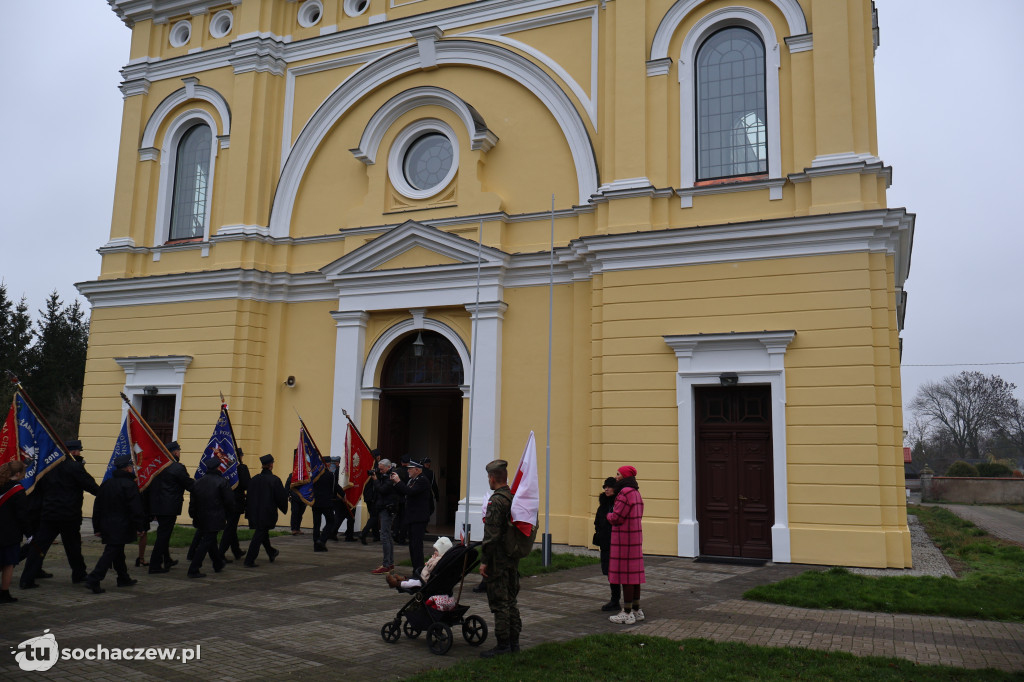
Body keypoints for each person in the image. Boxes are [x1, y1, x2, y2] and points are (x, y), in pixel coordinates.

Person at [20, 440, 100, 589]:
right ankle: (79, 574)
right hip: (69, 514)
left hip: (49, 513)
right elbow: (90, 486)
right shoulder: (75, 467)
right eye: (79, 451)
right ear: (73, 452)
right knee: (73, 547)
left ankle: (26, 578)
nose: (80, 453)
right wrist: (105, 495)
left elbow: (40, 488)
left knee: (39, 547)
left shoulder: (48, 467)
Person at [83, 454, 147, 594]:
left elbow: (97, 507)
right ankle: (94, 578)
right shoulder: (130, 485)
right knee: (111, 552)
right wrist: (140, 526)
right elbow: (135, 508)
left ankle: (123, 577)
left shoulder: (106, 484)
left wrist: (97, 527)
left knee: (117, 552)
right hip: (122, 525)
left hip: (107, 524)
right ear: (128, 468)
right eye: (131, 466)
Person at [479, 459, 522, 658]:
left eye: (489, 477)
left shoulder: (496, 501)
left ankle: (503, 644)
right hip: (512, 556)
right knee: (511, 600)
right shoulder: (513, 496)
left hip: (498, 559)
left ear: (492, 477)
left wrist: (484, 560)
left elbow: (491, 534)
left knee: (500, 602)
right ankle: (514, 642)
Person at [147, 441, 194, 573]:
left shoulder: (158, 466)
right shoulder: (177, 467)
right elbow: (188, 484)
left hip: (158, 505)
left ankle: (167, 559)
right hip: (170, 506)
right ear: (174, 452)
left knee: (163, 533)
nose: (179, 453)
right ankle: (155, 565)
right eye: (178, 450)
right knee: (163, 535)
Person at [607, 465, 645, 624]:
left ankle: (627, 612)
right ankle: (637, 610)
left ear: (624, 477)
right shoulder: (636, 492)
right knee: (634, 576)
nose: (616, 477)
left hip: (624, 540)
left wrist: (608, 515)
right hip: (635, 538)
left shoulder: (624, 493)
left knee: (626, 576)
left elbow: (617, 517)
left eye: (618, 474)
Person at [187, 454, 234, 578]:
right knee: (206, 542)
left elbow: (193, 502)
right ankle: (193, 569)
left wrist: (193, 515)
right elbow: (229, 501)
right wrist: (229, 514)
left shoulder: (198, 482)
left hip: (200, 517)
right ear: (218, 468)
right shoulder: (222, 482)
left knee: (211, 541)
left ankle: (217, 563)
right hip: (215, 517)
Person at [243, 455, 288, 567]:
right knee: (259, 535)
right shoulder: (274, 480)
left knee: (262, 532)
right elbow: (280, 497)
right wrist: (284, 507)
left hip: (254, 512)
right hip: (267, 513)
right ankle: (249, 560)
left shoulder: (254, 479)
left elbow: (248, 497)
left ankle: (271, 552)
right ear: (271, 465)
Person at [392, 459, 431, 578]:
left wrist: (399, 482)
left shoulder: (422, 480)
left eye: (410, 469)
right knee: (412, 546)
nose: (408, 470)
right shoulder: (412, 480)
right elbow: (405, 491)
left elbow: (410, 492)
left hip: (419, 518)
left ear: (417, 470)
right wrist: (395, 483)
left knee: (417, 546)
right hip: (412, 517)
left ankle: (419, 570)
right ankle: (415, 569)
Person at [0, 461, 30, 603]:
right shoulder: (18, 491)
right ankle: (4, 593)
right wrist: (29, 534)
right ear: (17, 474)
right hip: (9, 533)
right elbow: (22, 515)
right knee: (8, 564)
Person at [594, 476, 621, 611]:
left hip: (616, 543)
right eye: (605, 487)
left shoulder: (618, 504)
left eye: (609, 487)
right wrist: (599, 532)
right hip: (605, 543)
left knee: (617, 572)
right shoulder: (603, 504)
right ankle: (614, 600)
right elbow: (597, 521)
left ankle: (617, 600)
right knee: (610, 572)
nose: (606, 489)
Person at [219, 448, 251, 562]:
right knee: (230, 528)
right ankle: (220, 553)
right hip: (236, 502)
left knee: (231, 527)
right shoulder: (241, 467)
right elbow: (247, 484)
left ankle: (236, 550)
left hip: (225, 501)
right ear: (240, 456)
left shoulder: (225, 467)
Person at [385, 536, 453, 589]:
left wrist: (431, 561)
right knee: (413, 580)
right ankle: (403, 579)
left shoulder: (438, 560)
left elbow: (431, 568)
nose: (434, 552)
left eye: (436, 550)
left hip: (426, 580)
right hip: (424, 577)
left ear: (442, 552)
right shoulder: (439, 558)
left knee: (413, 583)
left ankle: (397, 583)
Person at [370, 458, 399, 574]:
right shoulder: (386, 475)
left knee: (385, 536)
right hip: (384, 507)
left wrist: (376, 480)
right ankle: (390, 563)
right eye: (379, 469)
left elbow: (382, 490)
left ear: (388, 467)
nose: (380, 471)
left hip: (388, 508)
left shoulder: (391, 476)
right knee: (387, 536)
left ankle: (387, 564)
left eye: (382, 469)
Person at [312, 455, 340, 552]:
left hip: (315, 502)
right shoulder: (330, 474)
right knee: (331, 521)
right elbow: (334, 488)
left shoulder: (315, 474)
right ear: (327, 463)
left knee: (316, 524)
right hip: (326, 502)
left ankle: (316, 544)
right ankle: (322, 540)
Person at [359, 450, 381, 544]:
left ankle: (376, 536)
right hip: (373, 496)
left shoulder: (366, 466)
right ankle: (363, 533)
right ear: (377, 457)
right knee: (374, 516)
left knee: (373, 516)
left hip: (368, 495)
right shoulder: (375, 468)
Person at [284, 454, 306, 535]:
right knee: (295, 513)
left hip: (303, 498)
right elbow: (287, 486)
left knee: (300, 514)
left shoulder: (306, 476)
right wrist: (287, 495)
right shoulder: (292, 475)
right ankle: (293, 529)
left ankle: (298, 528)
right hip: (295, 497)